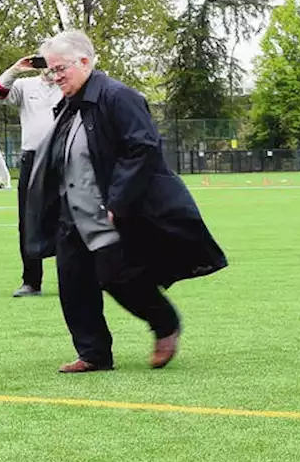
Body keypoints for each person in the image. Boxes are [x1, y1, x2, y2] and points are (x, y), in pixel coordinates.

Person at [23, 30, 227, 373]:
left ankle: (165, 324)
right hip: (73, 212)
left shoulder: (118, 97)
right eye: (52, 71)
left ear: (85, 62)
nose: (55, 77)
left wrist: (119, 202)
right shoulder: (68, 105)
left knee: (120, 278)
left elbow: (142, 148)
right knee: (73, 283)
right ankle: (93, 354)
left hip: (110, 211)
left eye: (61, 69)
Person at [0, 48, 64, 298]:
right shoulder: (25, 85)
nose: (51, 65)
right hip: (32, 159)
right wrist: (15, 69)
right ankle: (31, 281)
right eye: (46, 59)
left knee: (73, 218)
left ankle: (80, 276)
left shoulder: (68, 85)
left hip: (65, 158)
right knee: (29, 221)